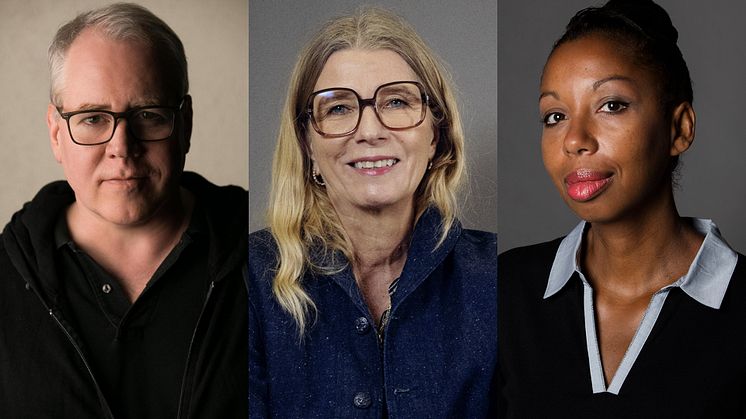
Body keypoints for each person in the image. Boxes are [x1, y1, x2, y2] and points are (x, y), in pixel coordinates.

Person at [498, 0, 745, 417]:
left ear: (679, 128)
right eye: (555, 115)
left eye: (611, 105)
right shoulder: (504, 291)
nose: (575, 139)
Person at [0, 3, 247, 417]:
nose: (122, 148)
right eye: (93, 118)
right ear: (56, 134)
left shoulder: (269, 260)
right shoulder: (5, 284)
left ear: (184, 125)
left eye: (148, 115)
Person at [248, 7, 497, 418]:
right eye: (339, 108)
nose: (369, 131)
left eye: (397, 101)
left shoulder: (496, 279)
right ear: (308, 145)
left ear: (435, 135)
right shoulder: (248, 281)